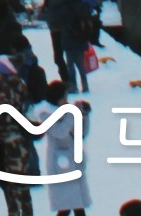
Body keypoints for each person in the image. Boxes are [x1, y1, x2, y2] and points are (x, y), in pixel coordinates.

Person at [0, 61, 38, 216]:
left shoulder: (4, 92)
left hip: (10, 143)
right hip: (23, 142)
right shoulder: (20, 86)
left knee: (13, 187)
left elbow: (2, 118)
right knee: (23, 186)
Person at [40, 81, 84, 216]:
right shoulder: (45, 114)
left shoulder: (65, 112)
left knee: (73, 203)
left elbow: (80, 134)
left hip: (70, 163)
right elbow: (60, 132)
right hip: (59, 165)